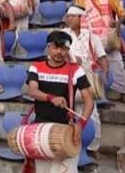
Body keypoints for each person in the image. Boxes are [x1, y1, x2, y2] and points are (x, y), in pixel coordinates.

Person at [26, 31, 94, 173]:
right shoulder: (36, 66)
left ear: (68, 50)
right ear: (48, 47)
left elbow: (89, 100)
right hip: (41, 128)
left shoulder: (75, 70)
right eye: (56, 48)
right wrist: (51, 98)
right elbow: (32, 91)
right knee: (42, 170)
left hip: (65, 130)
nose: (59, 52)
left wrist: (81, 124)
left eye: (64, 49)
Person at [74, 0, 125, 104]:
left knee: (117, 65)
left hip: (107, 37)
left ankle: (122, 93)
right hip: (91, 38)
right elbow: (78, 17)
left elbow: (122, 13)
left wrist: (117, 25)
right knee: (92, 68)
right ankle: (98, 96)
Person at [62, 6, 108, 159]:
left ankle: (93, 147)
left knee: (92, 115)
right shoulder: (63, 36)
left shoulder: (91, 37)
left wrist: (105, 72)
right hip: (67, 78)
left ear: (81, 18)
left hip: (86, 78)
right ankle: (72, 146)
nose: (69, 19)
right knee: (69, 113)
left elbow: (101, 56)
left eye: (73, 16)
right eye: (68, 16)